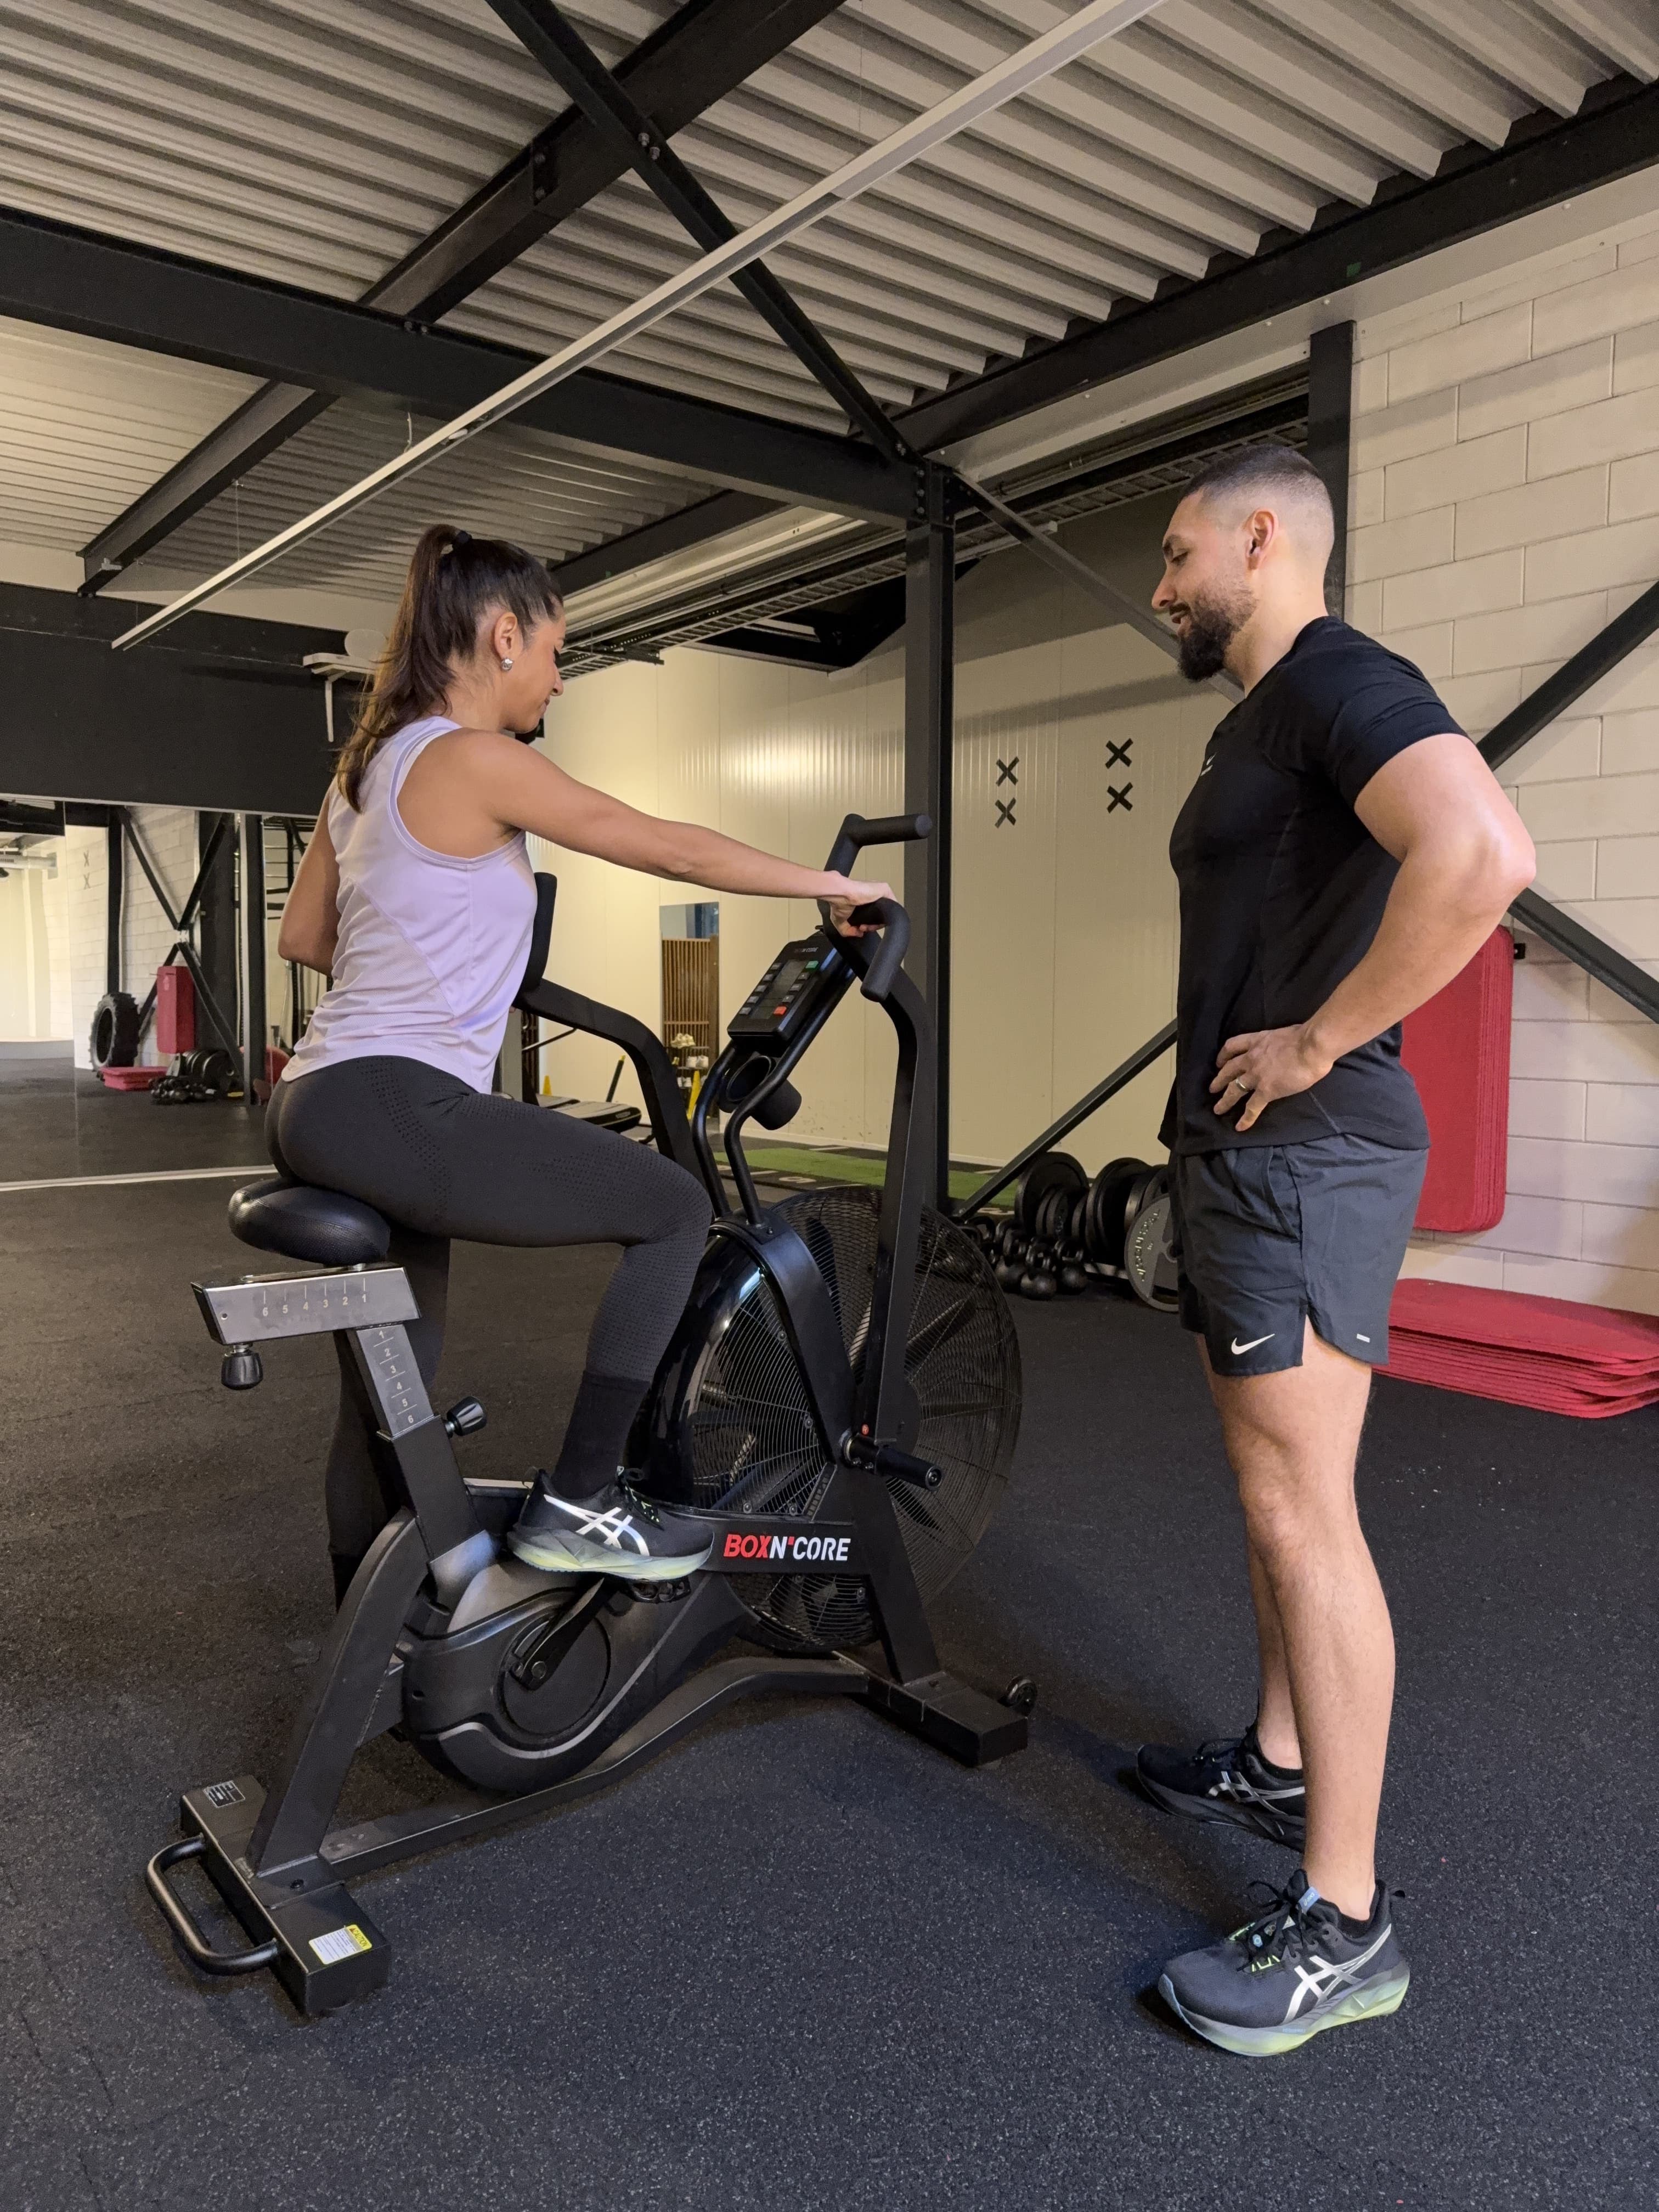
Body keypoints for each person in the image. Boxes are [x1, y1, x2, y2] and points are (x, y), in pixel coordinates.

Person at [272, 523, 891, 1594]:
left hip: (314, 1099)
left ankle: (376, 1628)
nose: (558, 678)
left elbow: (304, 938)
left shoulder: (363, 770)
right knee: (672, 1210)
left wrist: (440, 964)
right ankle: (582, 1498)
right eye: (555, 652)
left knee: (390, 1391)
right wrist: (836, 888)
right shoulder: (474, 757)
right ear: (504, 637)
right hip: (395, 1100)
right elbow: (668, 847)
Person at [1135, 445, 1534, 2057]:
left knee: (1308, 1510)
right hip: (1253, 1157)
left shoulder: (1338, 679)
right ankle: (1280, 1760)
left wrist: (1316, 1041)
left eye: (1178, 555)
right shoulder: (1262, 714)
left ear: (1261, 539)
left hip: (1307, 1154)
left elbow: (1481, 854)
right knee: (1272, 1495)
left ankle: (1346, 1922)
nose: (1161, 587)